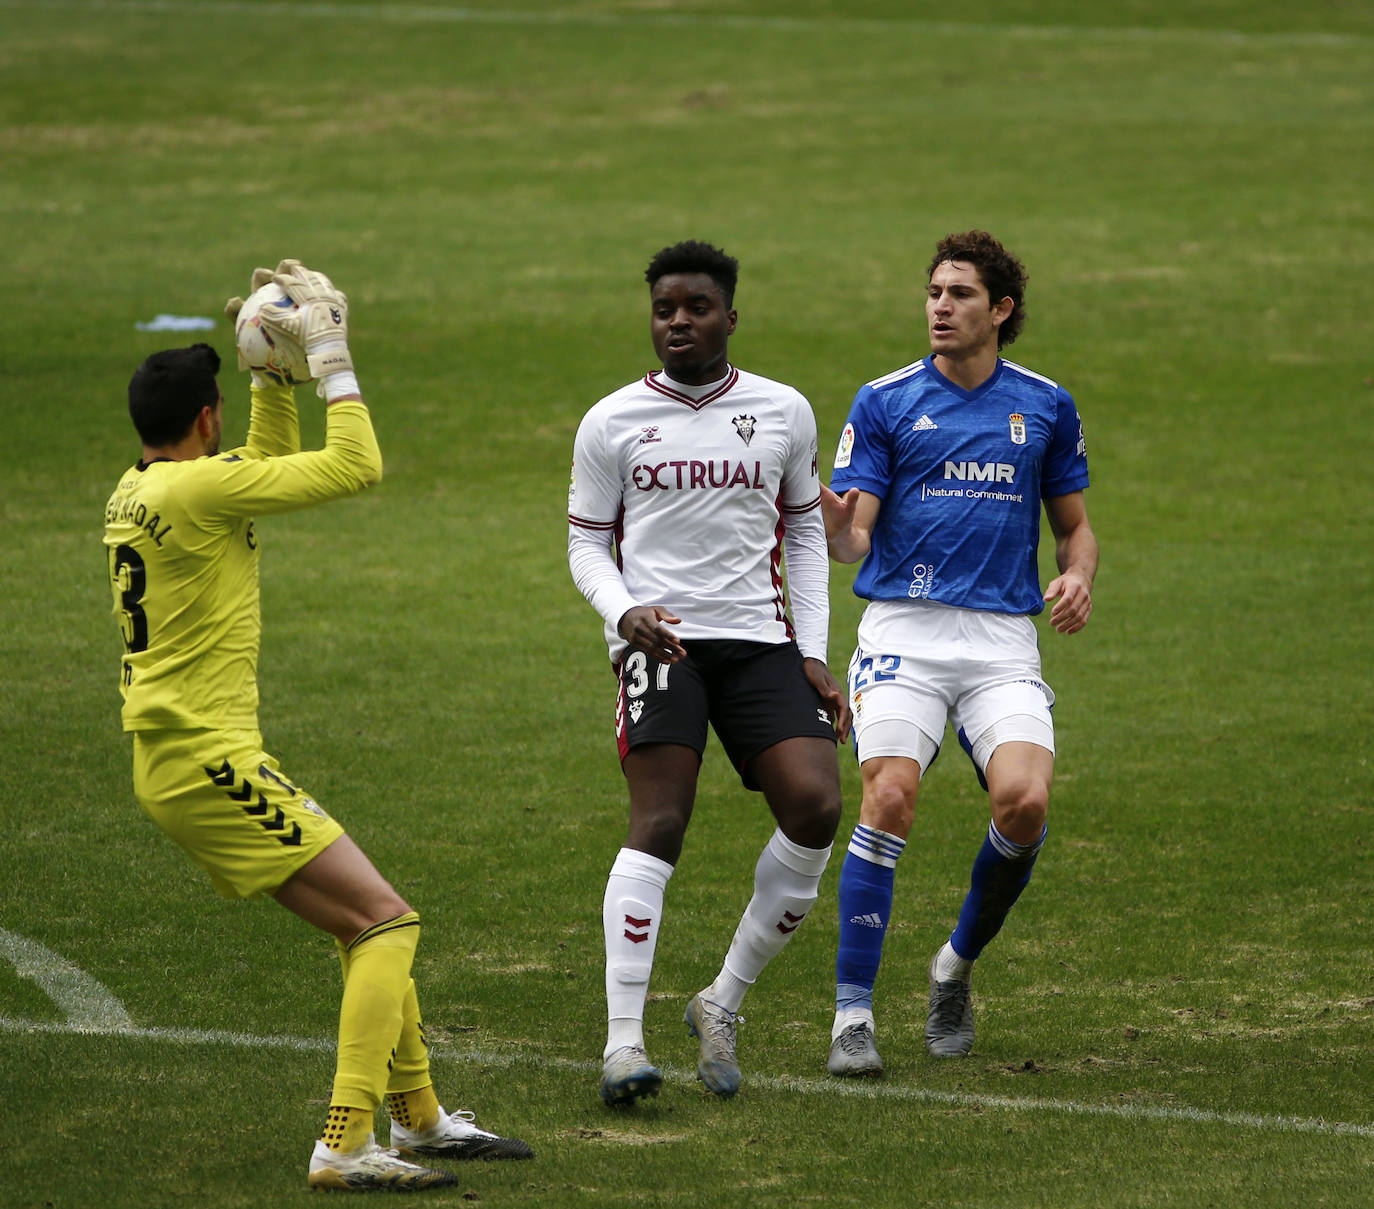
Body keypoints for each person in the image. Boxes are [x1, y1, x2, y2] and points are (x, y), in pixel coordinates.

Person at [103, 260, 532, 1191]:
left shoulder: (147, 488)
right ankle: (343, 1139)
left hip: (182, 760)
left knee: (363, 922)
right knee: (387, 921)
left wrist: (267, 378)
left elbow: (254, 470)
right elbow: (356, 465)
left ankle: (417, 1117)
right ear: (204, 421)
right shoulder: (195, 493)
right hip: (205, 759)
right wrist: (329, 357)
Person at [567, 239, 851, 1104]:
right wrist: (625, 614)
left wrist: (810, 649)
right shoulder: (611, 420)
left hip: (761, 643)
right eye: (664, 310)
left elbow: (804, 533)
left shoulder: (782, 410)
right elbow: (585, 541)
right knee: (661, 820)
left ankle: (721, 999)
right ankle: (623, 1043)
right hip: (665, 646)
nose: (679, 322)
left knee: (817, 805)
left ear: (731, 315)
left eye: (696, 307)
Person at [821, 230, 1097, 1077]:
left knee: (1024, 803)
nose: (940, 306)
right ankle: (852, 1015)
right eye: (934, 292)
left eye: (960, 294)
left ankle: (954, 966)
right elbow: (854, 539)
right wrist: (824, 514)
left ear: (1000, 310)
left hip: (1000, 639)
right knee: (890, 794)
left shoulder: (1045, 405)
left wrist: (1077, 577)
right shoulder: (885, 400)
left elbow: (1074, 526)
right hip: (904, 629)